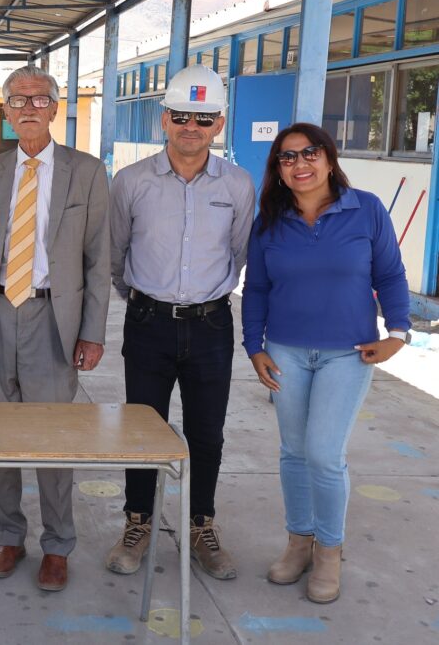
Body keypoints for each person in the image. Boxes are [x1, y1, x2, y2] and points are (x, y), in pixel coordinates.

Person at [0, 65, 110, 591]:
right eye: (17, 100)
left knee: (52, 438)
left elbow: (97, 260)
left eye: (39, 100)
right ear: (6, 109)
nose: (28, 109)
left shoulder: (86, 172)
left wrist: (92, 331)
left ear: (56, 107)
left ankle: (58, 545)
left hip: (52, 318)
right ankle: (10, 538)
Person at [243, 123, 410, 603]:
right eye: (287, 158)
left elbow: (391, 275)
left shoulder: (367, 210)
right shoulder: (270, 220)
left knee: (322, 453)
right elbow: (256, 288)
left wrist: (396, 333)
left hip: (348, 352)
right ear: (278, 168)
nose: (300, 164)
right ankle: (299, 541)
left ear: (330, 158)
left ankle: (330, 551)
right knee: (293, 453)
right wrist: (255, 346)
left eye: (309, 153)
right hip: (286, 352)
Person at [107, 64, 254, 581]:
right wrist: (145, 299)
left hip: (211, 327)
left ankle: (201, 526)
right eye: (182, 116)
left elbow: (239, 254)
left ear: (218, 124)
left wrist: (201, 301)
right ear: (164, 118)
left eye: (205, 117)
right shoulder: (130, 182)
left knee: (206, 433)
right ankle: (138, 521)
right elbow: (116, 252)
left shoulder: (238, 185)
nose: (192, 126)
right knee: (141, 429)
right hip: (147, 322)